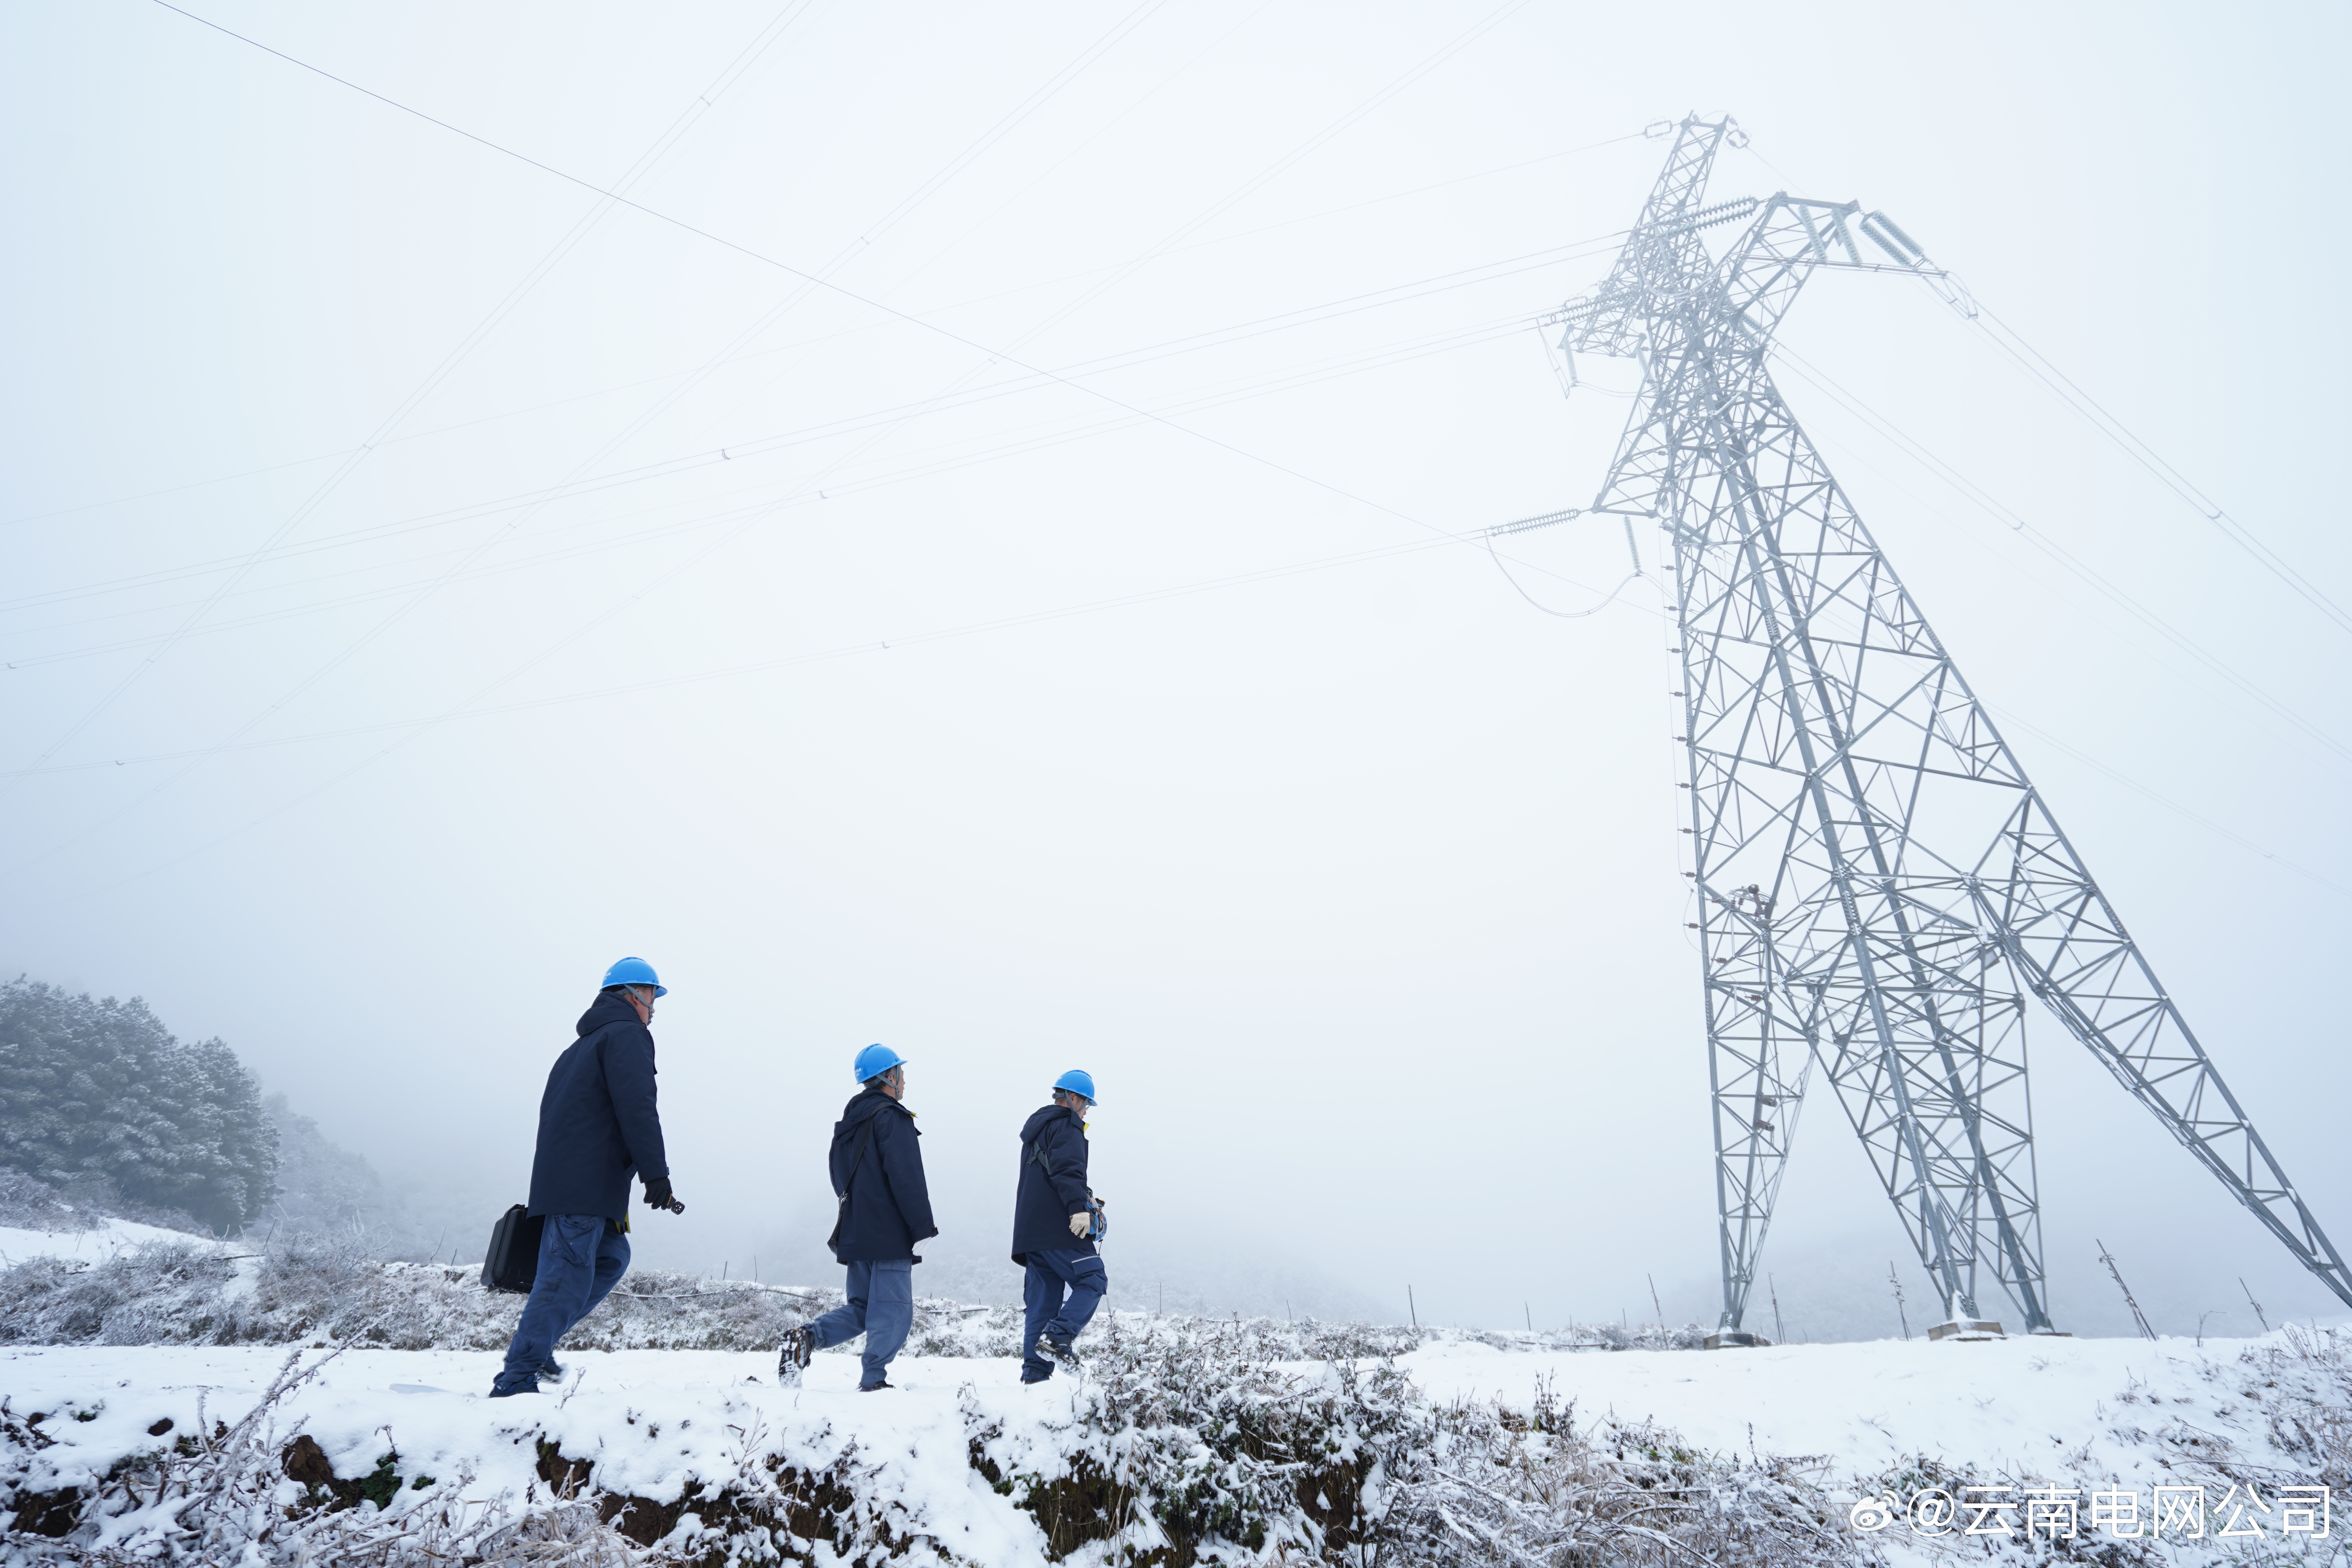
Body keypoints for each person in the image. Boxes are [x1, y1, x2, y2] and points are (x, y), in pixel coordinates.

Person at [491, 957, 684, 1397]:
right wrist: (656, 1174)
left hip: (578, 1185)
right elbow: (637, 1106)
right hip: (583, 1188)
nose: (654, 1008)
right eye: (653, 996)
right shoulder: (628, 1036)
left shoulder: (579, 1049)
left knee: (611, 1258)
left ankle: (536, 1351)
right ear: (633, 994)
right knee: (564, 1279)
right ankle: (516, 1378)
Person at [777, 1045, 937, 1392]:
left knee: (864, 1309)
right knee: (894, 1312)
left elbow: (839, 1178)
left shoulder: (847, 1124)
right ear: (888, 1077)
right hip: (889, 1235)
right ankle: (874, 1381)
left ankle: (805, 1339)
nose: (905, 1081)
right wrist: (922, 1226)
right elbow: (906, 1175)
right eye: (901, 1073)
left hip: (856, 1231)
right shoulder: (892, 1117)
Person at [1011, 1069, 1105, 1384]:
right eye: (1086, 1104)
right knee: (1093, 1278)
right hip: (1059, 1228)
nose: (1086, 1111)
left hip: (1030, 1233)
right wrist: (1079, 1210)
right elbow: (1069, 1171)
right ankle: (1059, 1337)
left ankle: (1034, 1377)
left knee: (1044, 1301)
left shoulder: (1038, 1129)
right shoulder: (1067, 1126)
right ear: (1074, 1099)